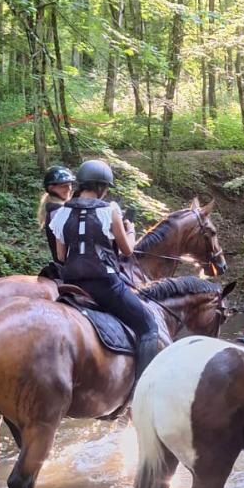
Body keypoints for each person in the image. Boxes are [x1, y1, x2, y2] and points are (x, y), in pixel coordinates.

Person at [50, 159, 159, 379]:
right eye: (106, 188)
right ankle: (141, 386)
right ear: (101, 187)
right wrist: (131, 232)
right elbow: (127, 251)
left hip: (71, 284)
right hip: (104, 284)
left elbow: (61, 256)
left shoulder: (61, 213)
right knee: (149, 327)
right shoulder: (110, 211)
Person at [38, 165, 76, 267]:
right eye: (64, 186)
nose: (68, 188)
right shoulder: (58, 212)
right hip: (69, 266)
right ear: (51, 188)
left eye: (70, 185)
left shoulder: (56, 209)